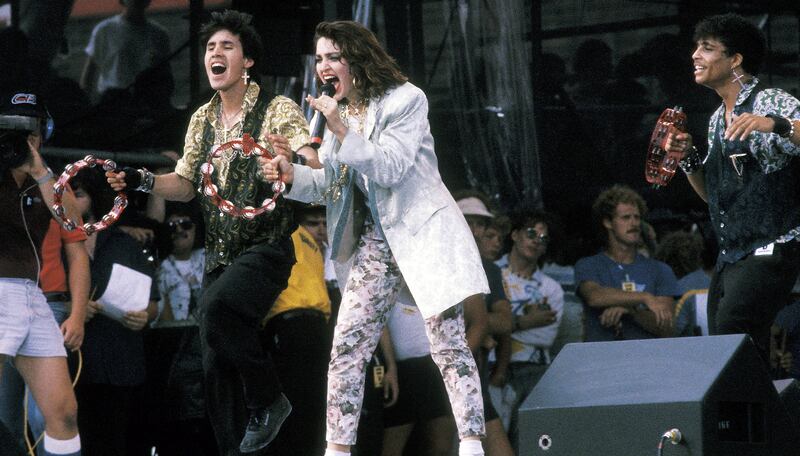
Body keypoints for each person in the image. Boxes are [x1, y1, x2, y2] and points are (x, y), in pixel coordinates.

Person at [265, 20, 488, 456]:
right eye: (320, 58)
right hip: (378, 239)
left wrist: (342, 130)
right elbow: (332, 182)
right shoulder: (340, 111)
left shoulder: (407, 100)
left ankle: (472, 442)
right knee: (347, 343)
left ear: (357, 58)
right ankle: (337, 449)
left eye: (333, 57)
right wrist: (290, 174)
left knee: (447, 340)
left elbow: (391, 169)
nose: (324, 66)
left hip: (423, 230)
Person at [106, 10, 309, 455]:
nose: (215, 54)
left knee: (215, 310)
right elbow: (183, 184)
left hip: (265, 247)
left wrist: (288, 161)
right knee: (215, 364)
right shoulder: (201, 118)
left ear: (248, 60)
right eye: (210, 48)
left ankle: (269, 399)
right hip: (219, 255)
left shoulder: (277, 109)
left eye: (227, 47)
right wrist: (141, 179)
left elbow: (312, 162)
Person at [669, 13, 800, 363]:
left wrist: (774, 124)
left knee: (732, 330)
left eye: (707, 48)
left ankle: (758, 415)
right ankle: (758, 415)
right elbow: (713, 195)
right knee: (724, 346)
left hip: (775, 244)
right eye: (696, 47)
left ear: (735, 59)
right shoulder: (716, 119)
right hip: (733, 253)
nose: (695, 55)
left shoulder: (768, 100)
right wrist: (688, 159)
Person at [0, 89, 83, 456]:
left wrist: (38, 170)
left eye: (32, 129)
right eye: (17, 129)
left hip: (33, 297)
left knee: (63, 414)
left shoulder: (48, 179)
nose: (26, 138)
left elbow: (69, 219)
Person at [70, 168, 159, 456]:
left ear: (95, 198)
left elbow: (153, 299)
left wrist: (145, 315)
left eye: (78, 194)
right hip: (75, 365)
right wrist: (74, 312)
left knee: (117, 443)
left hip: (120, 363)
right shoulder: (54, 242)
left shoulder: (124, 243)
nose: (71, 200)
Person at [0, 218, 89, 456]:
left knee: (52, 414)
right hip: (7, 296)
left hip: (48, 303)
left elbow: (77, 253)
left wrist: (78, 315)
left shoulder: (54, 186)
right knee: (6, 418)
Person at [492, 211, 563, 453]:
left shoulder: (551, 288)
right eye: (532, 233)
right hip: (490, 366)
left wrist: (502, 324)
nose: (537, 241)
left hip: (532, 369)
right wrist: (527, 320)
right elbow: (478, 322)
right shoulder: (490, 273)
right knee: (491, 440)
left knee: (529, 443)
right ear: (515, 235)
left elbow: (545, 337)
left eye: (543, 238)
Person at [574, 185, 678, 341]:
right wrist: (645, 297)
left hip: (648, 360)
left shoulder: (660, 270)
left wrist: (631, 311)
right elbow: (594, 296)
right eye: (626, 217)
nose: (634, 223)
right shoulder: (588, 265)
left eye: (637, 217)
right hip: (602, 360)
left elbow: (667, 328)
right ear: (608, 222)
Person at [80, 0, 172, 101]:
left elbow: (166, 77)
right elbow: (89, 73)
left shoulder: (159, 35)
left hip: (146, 103)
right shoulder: (105, 30)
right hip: (113, 102)